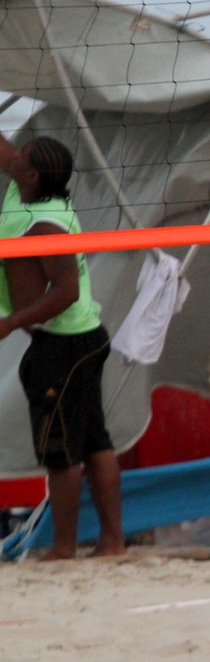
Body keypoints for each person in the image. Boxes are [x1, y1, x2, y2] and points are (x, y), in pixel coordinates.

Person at [0, 131, 123, 559]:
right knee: (93, 442)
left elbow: (66, 289)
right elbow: (6, 153)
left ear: (31, 174)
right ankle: (111, 544)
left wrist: (11, 322)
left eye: (24, 154)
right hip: (81, 337)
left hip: (66, 344)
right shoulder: (26, 191)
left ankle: (63, 547)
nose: (15, 153)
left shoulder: (47, 221)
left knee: (62, 450)